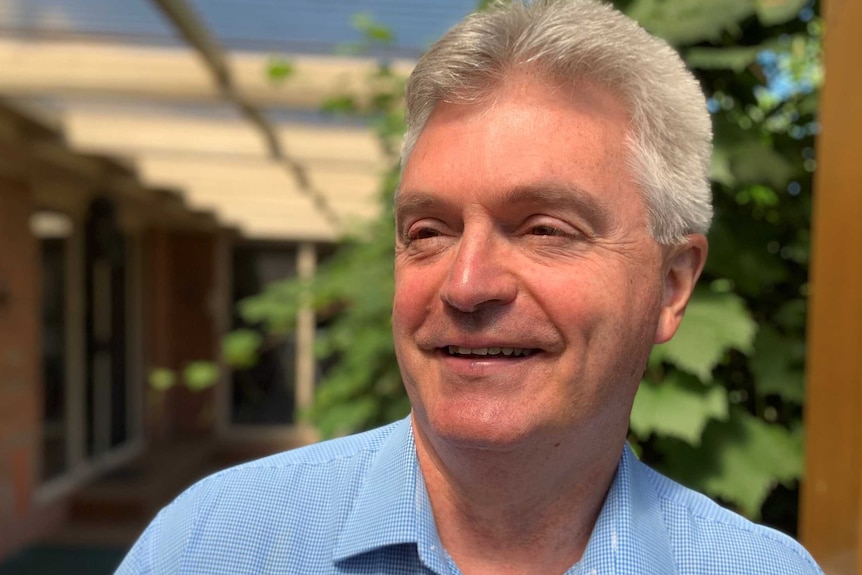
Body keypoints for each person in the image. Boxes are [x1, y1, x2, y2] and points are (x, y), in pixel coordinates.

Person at [116, 1, 823, 573]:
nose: (466, 283)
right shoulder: (209, 545)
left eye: (545, 228)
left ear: (671, 285)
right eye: (428, 230)